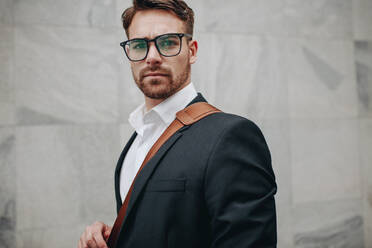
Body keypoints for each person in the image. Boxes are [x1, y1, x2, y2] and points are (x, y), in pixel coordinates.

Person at [78, 0, 277, 247]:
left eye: (168, 42)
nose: (152, 57)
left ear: (191, 51)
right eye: (139, 45)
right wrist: (113, 237)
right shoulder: (137, 139)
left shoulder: (231, 136)